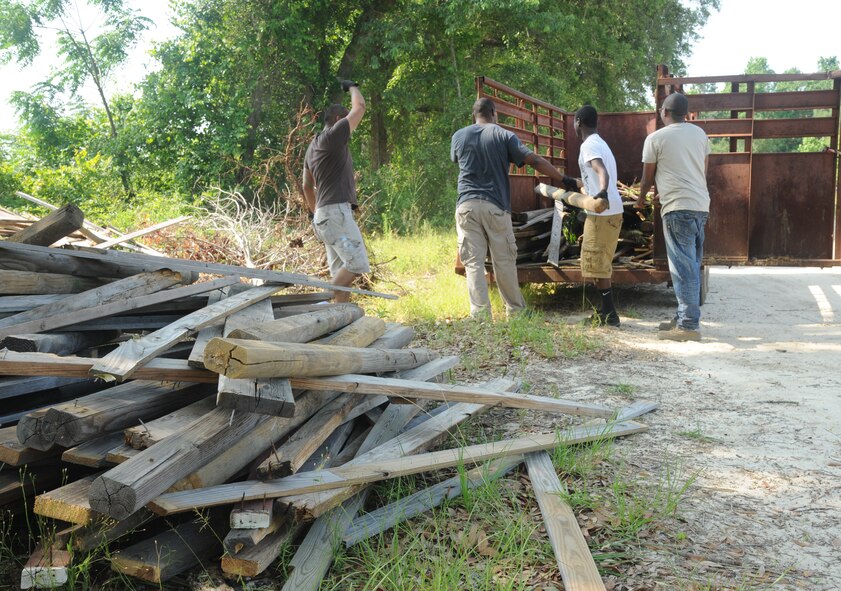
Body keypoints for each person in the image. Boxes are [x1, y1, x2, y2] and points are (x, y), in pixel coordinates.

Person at [451, 97, 568, 319]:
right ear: (494, 113)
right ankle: (515, 312)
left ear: (473, 116)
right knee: (503, 260)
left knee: (473, 263)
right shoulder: (504, 135)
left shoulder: (458, 136)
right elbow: (532, 160)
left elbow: (458, 160)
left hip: (466, 206)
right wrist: (561, 178)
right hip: (495, 206)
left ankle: (480, 316)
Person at [636, 92, 711, 341]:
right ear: (686, 114)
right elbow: (700, 171)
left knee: (683, 268)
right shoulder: (699, 134)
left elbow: (647, 178)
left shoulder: (655, 138)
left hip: (678, 209)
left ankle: (689, 326)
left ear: (664, 112)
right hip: (700, 205)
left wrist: (640, 199)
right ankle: (683, 317)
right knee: (692, 263)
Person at [302, 79, 369, 303]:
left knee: (341, 273)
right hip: (335, 215)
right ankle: (322, 299)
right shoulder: (334, 135)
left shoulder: (312, 148)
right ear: (339, 121)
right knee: (357, 263)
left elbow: (306, 186)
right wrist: (352, 87)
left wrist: (314, 215)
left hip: (323, 217)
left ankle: (341, 323)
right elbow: (359, 107)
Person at [573, 105, 625, 327]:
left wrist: (602, 193)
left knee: (597, 263)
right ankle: (606, 312)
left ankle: (610, 315)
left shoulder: (589, 145)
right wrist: (581, 186)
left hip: (603, 213)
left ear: (578, 122)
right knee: (599, 262)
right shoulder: (599, 142)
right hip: (609, 211)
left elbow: (600, 169)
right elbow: (592, 178)